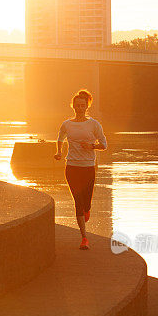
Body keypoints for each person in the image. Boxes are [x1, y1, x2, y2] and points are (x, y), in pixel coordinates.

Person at [54, 89, 107, 250]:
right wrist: (59, 152)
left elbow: (104, 144)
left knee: (86, 204)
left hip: (88, 167)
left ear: (86, 106)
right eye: (77, 106)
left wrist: (91, 146)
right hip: (72, 167)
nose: (79, 108)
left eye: (82, 105)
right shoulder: (67, 124)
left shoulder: (94, 124)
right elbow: (60, 138)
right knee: (78, 201)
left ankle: (87, 210)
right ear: (73, 106)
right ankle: (84, 238)